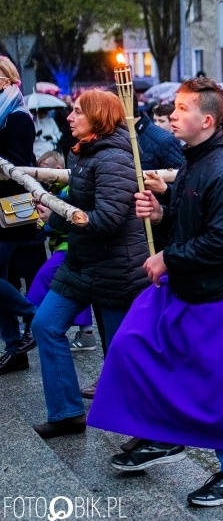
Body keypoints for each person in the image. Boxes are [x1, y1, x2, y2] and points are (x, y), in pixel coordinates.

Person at [88, 77, 223, 507]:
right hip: (182, 288)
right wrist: (162, 212)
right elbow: (188, 220)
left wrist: (167, 257)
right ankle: (163, 436)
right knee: (134, 349)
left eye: (181, 110)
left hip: (217, 298)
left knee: (217, 391)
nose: (171, 116)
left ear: (206, 119)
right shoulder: (193, 157)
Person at [29, 89, 150, 435]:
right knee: (45, 324)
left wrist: (60, 214)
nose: (70, 117)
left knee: (119, 352)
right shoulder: (82, 152)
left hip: (117, 268)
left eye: (78, 112)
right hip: (82, 264)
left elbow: (108, 218)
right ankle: (67, 412)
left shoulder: (114, 157)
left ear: (98, 118)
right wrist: (53, 214)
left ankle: (139, 432)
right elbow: (78, 204)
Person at [26, 152, 96, 353]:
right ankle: (86, 333)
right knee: (77, 289)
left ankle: (27, 317)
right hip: (68, 248)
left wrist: (46, 225)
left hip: (67, 248)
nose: (40, 179)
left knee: (42, 279)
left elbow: (64, 222)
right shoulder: (60, 189)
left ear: (56, 171)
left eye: (43, 173)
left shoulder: (66, 192)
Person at [0, 56, 38, 375]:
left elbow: (18, 162)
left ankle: (33, 315)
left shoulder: (16, 116)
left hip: (11, 210)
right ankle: (15, 349)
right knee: (4, 280)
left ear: (6, 78)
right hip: (1, 208)